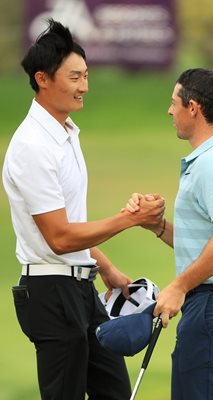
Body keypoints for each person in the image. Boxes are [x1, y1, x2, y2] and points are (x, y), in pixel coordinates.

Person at [2, 19, 165, 400]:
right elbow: (58, 238)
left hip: (80, 287)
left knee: (115, 391)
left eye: (86, 75)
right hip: (50, 292)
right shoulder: (32, 146)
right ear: (43, 79)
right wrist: (130, 220)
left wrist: (105, 267)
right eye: (75, 77)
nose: (85, 87)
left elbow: (70, 225)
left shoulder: (65, 133)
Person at [125, 68, 213, 400]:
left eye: (174, 103)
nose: (170, 111)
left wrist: (179, 285)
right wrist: (156, 225)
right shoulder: (210, 161)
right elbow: (208, 241)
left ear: (193, 107)